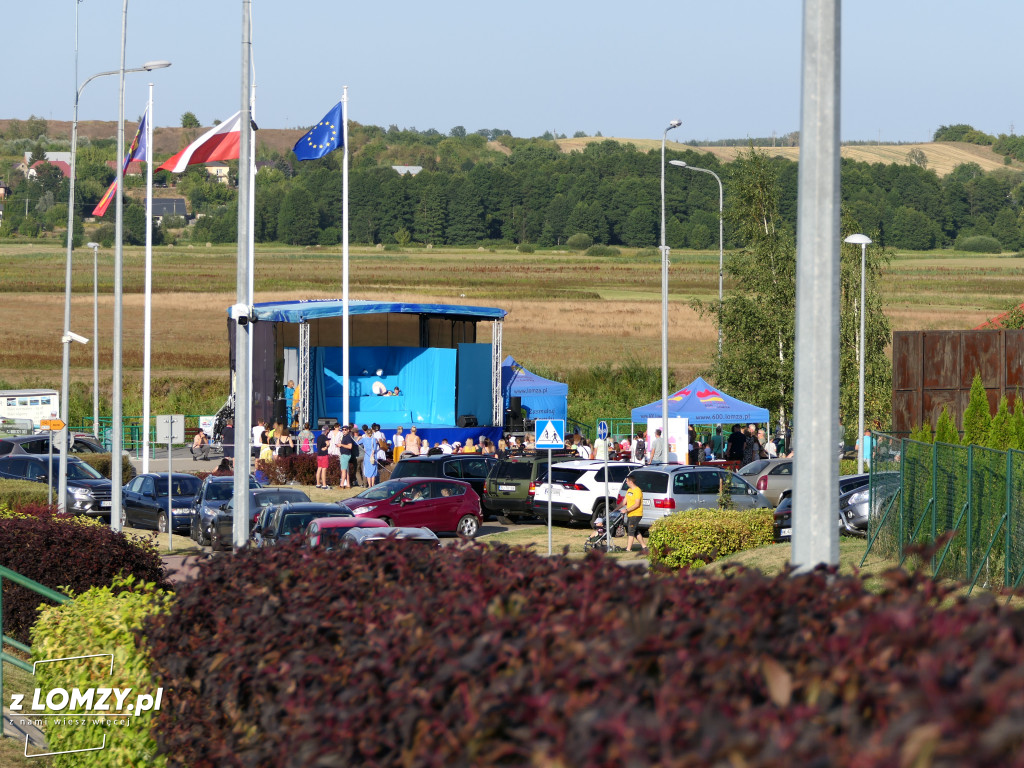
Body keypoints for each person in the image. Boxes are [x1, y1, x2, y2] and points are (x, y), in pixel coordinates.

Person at [618, 475, 647, 555]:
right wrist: (616, 509)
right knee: (634, 531)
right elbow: (624, 502)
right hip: (630, 514)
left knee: (630, 531)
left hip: (636, 514)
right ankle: (644, 546)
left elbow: (637, 504)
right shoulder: (629, 490)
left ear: (631, 482)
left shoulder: (637, 491)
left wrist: (626, 510)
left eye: (627, 481)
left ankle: (628, 549)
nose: (626, 482)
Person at [315, 425, 330, 489]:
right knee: (324, 469)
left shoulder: (318, 437)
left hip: (319, 455)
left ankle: (318, 483)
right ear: (327, 430)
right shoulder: (324, 437)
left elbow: (316, 446)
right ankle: (324, 484)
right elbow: (328, 444)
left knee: (319, 468)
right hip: (324, 455)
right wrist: (326, 447)